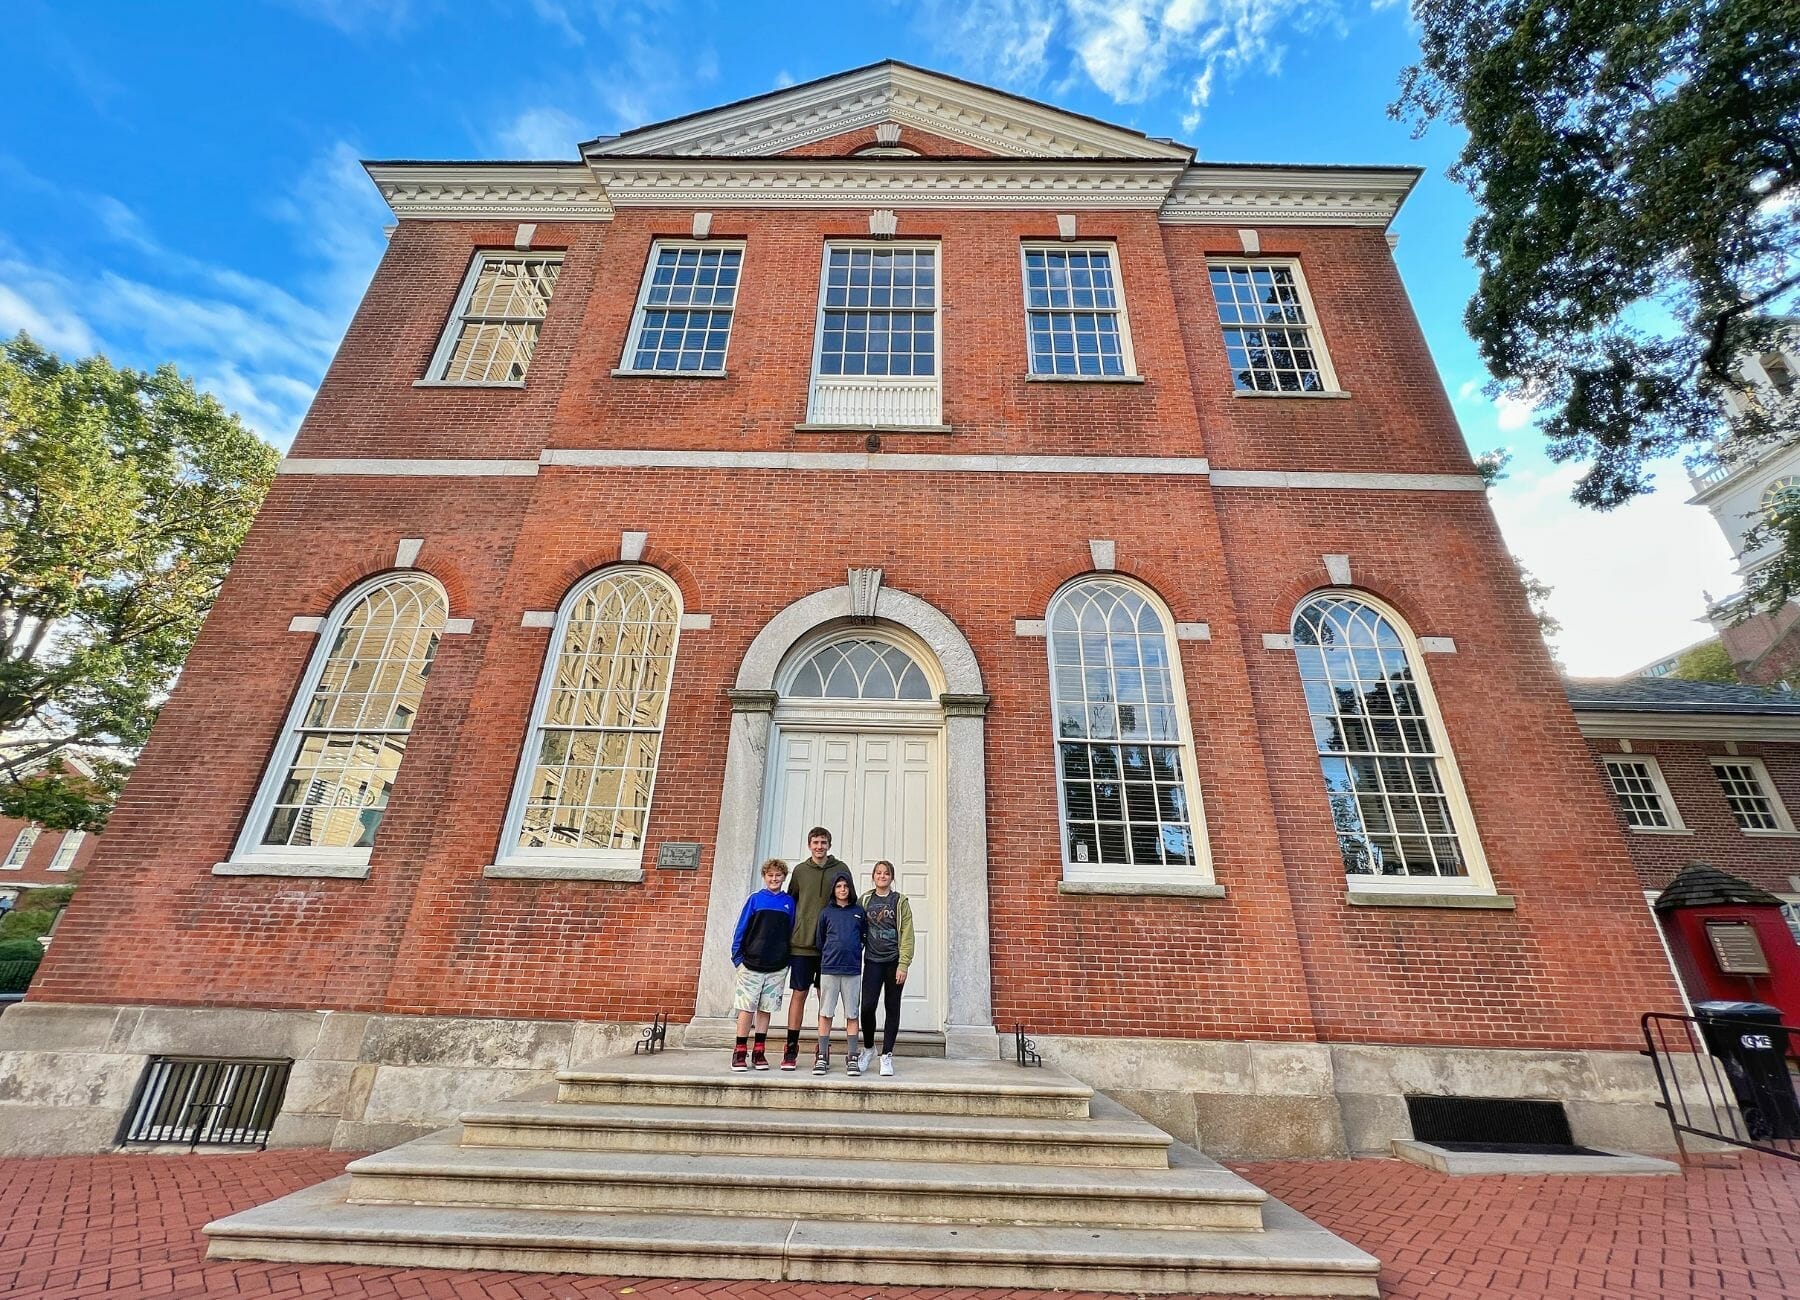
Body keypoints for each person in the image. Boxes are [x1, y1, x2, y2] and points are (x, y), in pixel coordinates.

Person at [781, 826, 852, 1070]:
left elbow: (847, 900)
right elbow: (792, 902)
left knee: (826, 998)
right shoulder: (800, 871)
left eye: (823, 842)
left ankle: (823, 1048)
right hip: (802, 944)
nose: (819, 846)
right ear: (809, 845)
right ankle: (791, 1047)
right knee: (799, 994)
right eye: (815, 842)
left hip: (829, 947)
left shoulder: (841, 869)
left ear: (829, 845)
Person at [728, 858, 796, 1071]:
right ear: (764, 877)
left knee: (765, 1009)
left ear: (784, 877)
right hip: (751, 964)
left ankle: (759, 1051)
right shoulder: (755, 899)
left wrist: (787, 960)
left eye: (778, 875)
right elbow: (741, 928)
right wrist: (737, 957)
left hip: (777, 966)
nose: (774, 879)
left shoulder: (789, 902)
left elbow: (791, 931)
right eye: (770, 875)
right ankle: (740, 1050)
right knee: (747, 1008)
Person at [857, 860, 914, 1078]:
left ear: (892, 877)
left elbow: (907, 933)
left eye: (886, 873)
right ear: (873, 876)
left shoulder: (900, 901)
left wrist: (903, 964)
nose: (882, 876)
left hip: (893, 962)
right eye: (879, 873)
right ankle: (869, 1048)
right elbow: (856, 928)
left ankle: (886, 1055)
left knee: (892, 1007)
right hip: (872, 961)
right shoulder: (865, 900)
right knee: (867, 1007)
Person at [812, 873, 867, 1075]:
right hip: (829, 969)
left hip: (852, 970)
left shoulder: (858, 912)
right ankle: (822, 1055)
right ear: (833, 890)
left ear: (850, 888)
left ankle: (852, 1056)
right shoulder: (826, 913)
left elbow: (863, 937)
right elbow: (820, 941)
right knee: (826, 1013)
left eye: (845, 886)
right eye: (838, 886)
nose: (842, 889)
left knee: (852, 1013)